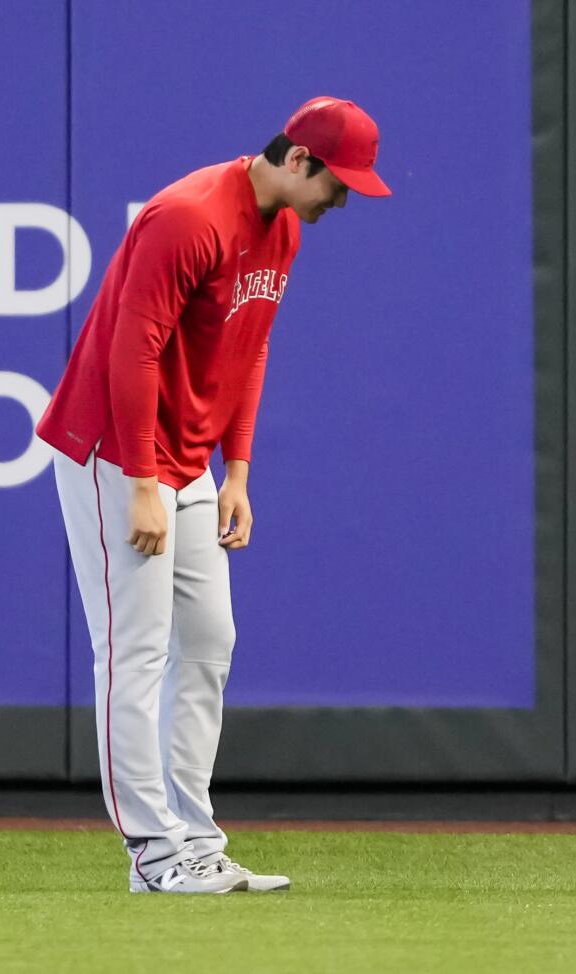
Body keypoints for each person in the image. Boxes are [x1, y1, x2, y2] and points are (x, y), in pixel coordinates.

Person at [37, 96, 391, 894]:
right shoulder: (189, 215)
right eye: (340, 183)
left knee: (208, 641)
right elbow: (132, 352)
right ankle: (154, 856)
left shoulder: (286, 227)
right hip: (112, 453)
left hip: (190, 461)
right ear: (299, 159)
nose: (344, 200)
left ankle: (195, 842)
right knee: (133, 653)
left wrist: (236, 471)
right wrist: (139, 484)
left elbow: (250, 343)